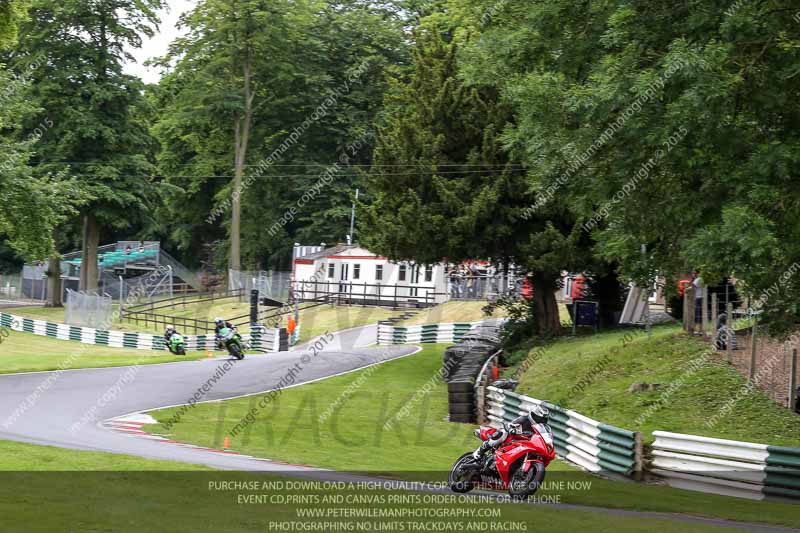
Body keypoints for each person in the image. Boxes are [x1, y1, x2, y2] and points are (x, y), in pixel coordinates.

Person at [473, 405, 550, 461]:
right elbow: (510, 424)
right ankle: (481, 450)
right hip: (511, 441)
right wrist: (512, 429)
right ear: (533, 415)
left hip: (523, 447)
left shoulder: (542, 429)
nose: (540, 421)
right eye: (539, 418)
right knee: (503, 432)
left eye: (543, 419)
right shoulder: (524, 419)